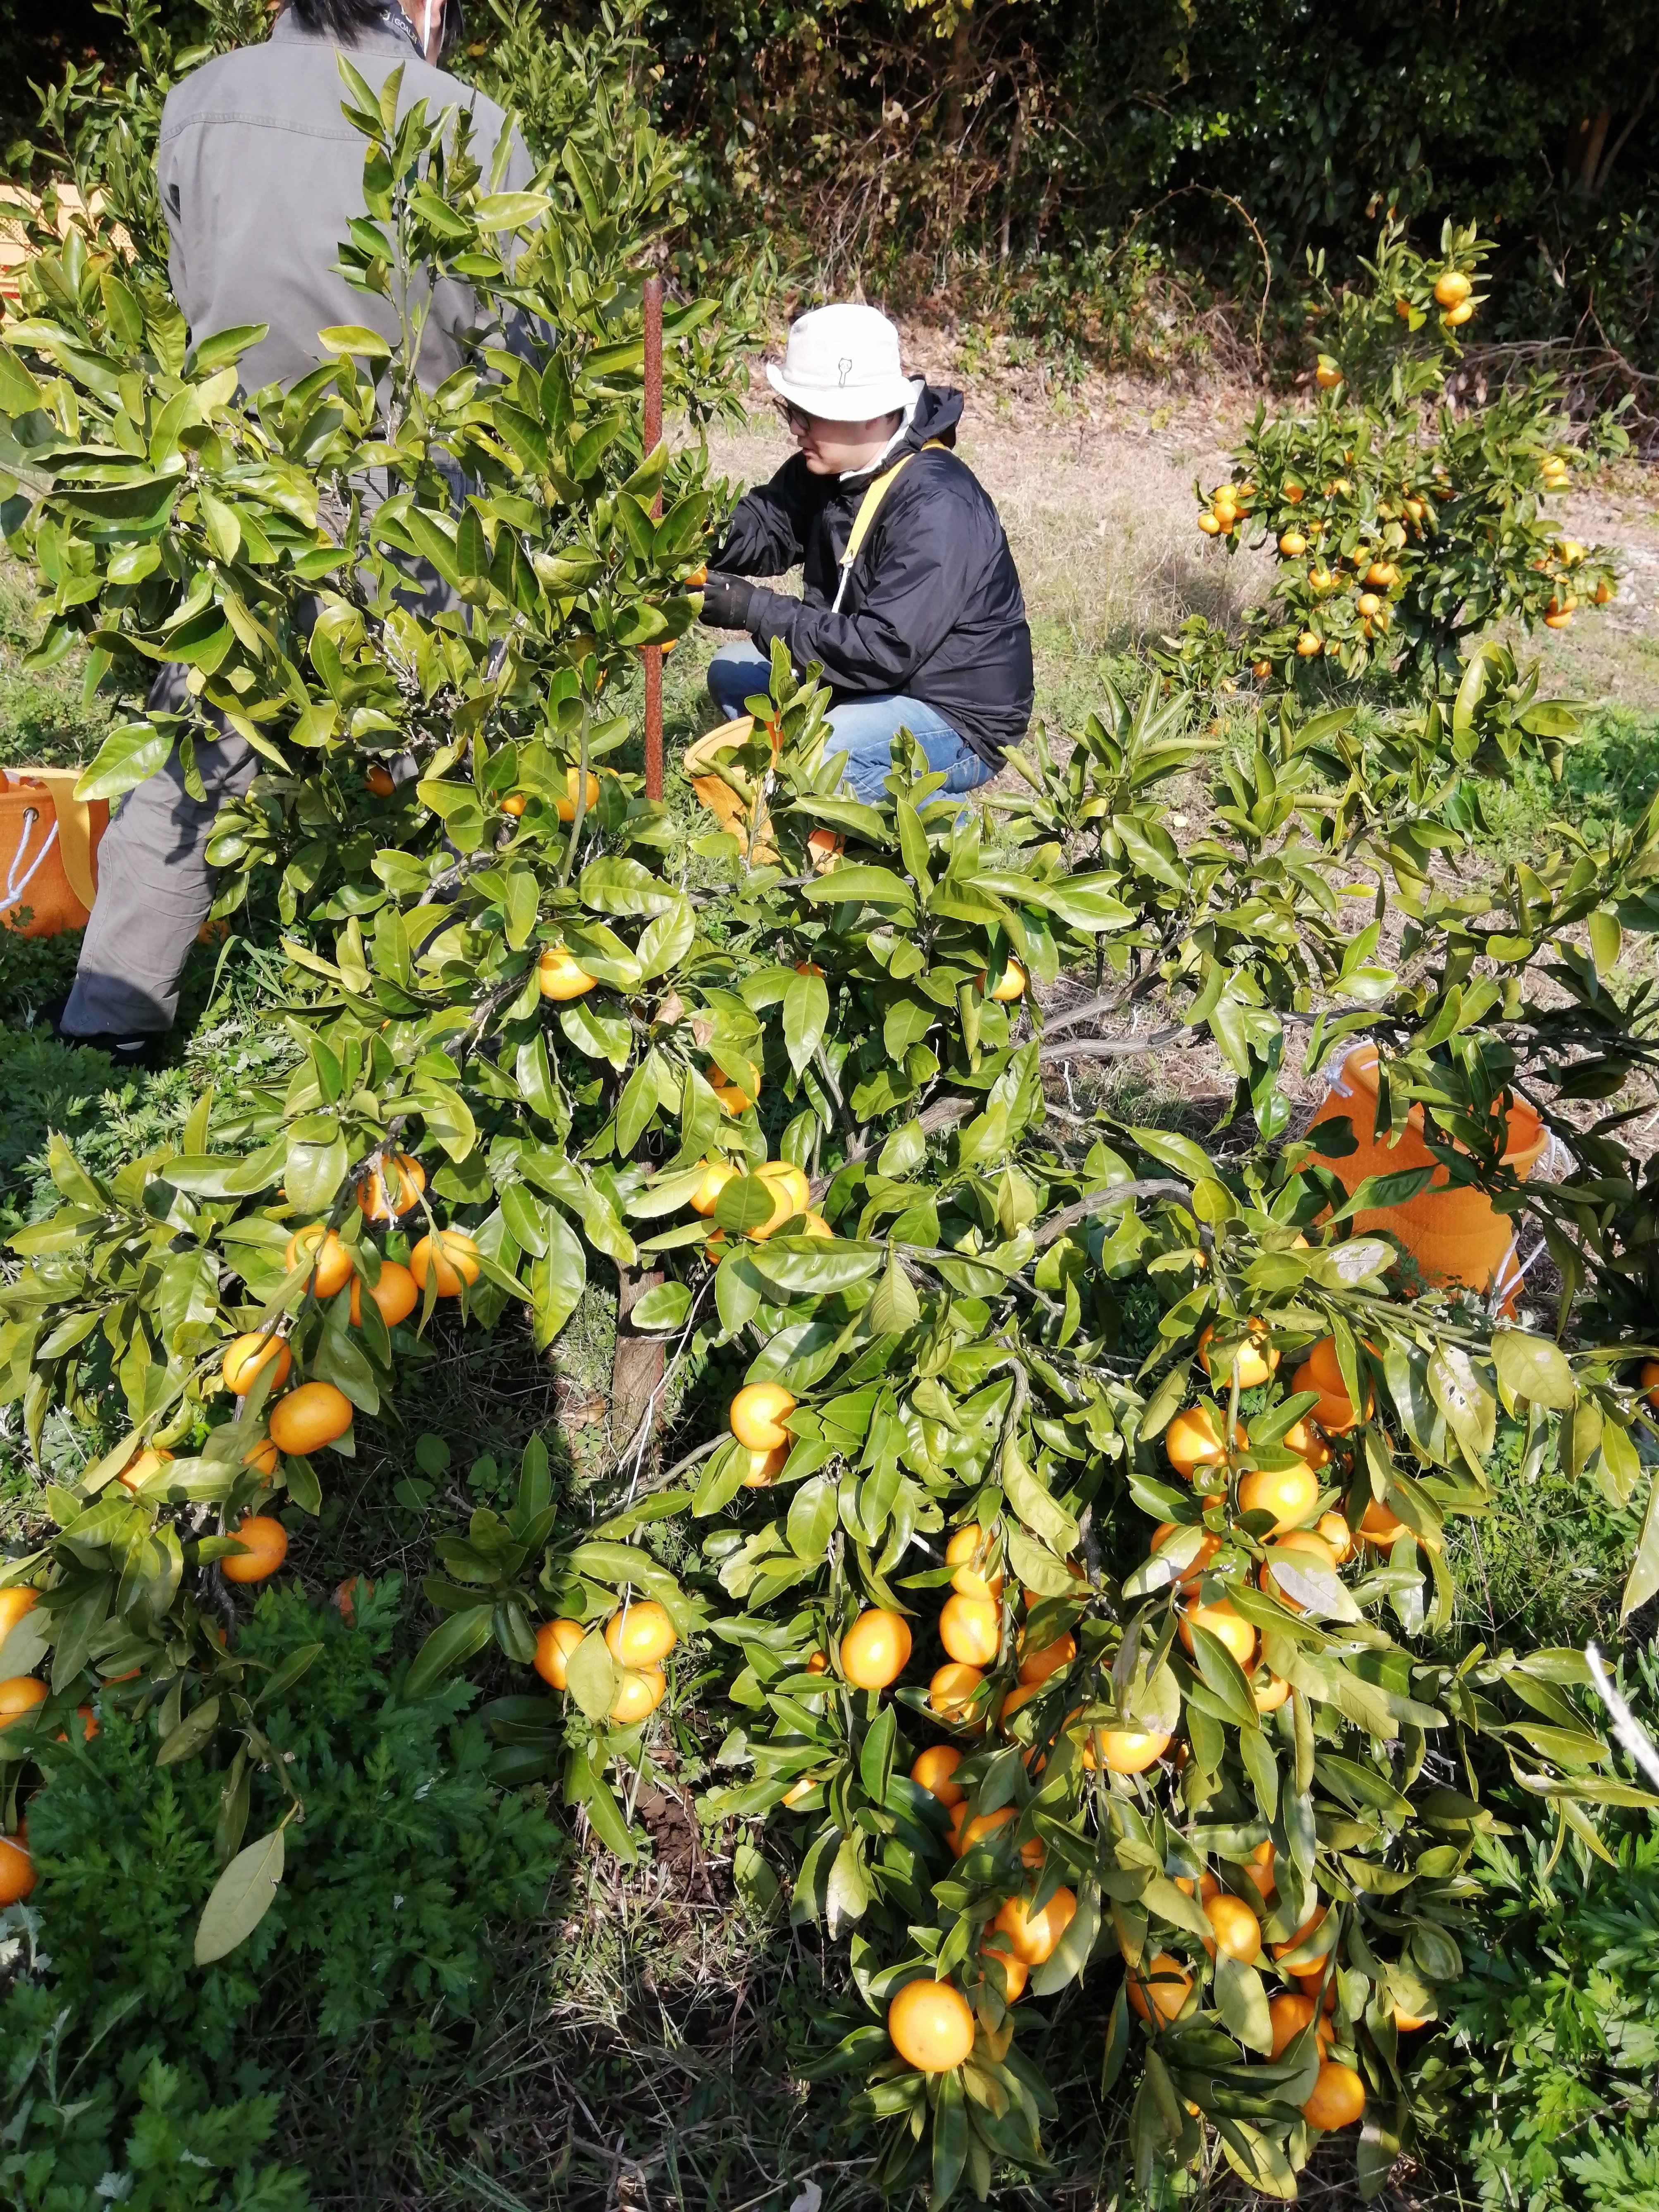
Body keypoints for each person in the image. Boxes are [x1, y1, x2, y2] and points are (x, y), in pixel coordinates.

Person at [56, 0, 532, 1062]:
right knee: (455, 750)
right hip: (413, 502)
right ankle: (459, 1020)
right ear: (423, 9)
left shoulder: (200, 104)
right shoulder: (475, 128)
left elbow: (191, 303)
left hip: (239, 487)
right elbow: (519, 364)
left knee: (194, 742)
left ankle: (110, 1020)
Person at [697, 302, 1033, 803]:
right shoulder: (832, 466)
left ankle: (946, 824)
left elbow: (883, 650)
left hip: (952, 712)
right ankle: (828, 782)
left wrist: (755, 609)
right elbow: (768, 526)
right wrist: (696, 533)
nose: (795, 429)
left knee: (822, 759)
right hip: (870, 677)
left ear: (869, 411)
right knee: (730, 672)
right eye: (792, 412)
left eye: (807, 415)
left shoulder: (938, 504)